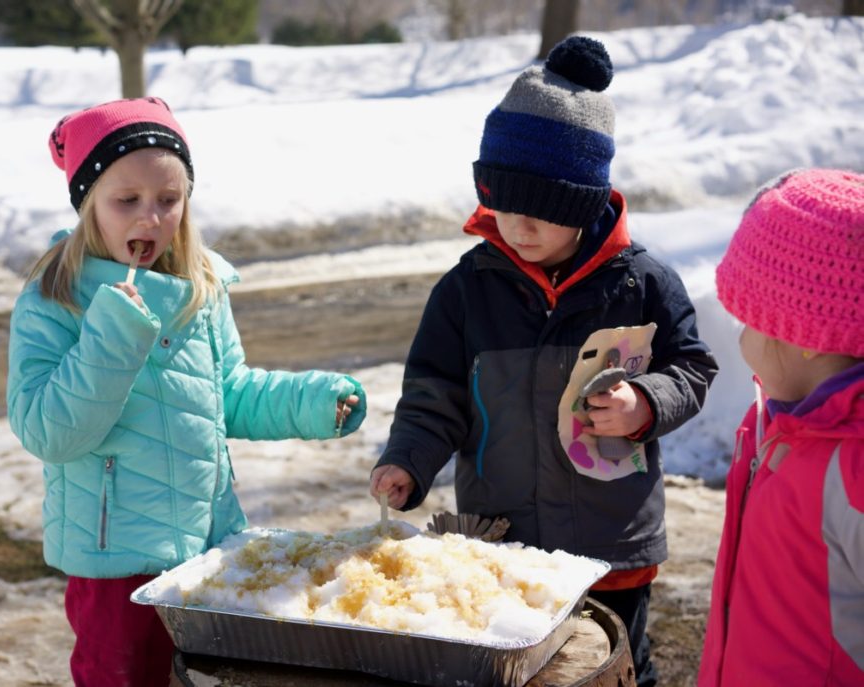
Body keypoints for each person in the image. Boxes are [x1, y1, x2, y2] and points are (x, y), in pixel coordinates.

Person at [368, 36, 718, 687]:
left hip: (612, 549)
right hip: (504, 547)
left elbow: (693, 368)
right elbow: (432, 395)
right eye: (503, 202)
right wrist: (407, 462)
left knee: (614, 667)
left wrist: (646, 403)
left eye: (541, 211)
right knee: (512, 670)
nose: (517, 225)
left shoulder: (641, 284)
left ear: (582, 206)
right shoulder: (467, 291)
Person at [6, 97, 367, 687]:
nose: (150, 218)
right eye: (128, 201)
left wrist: (311, 401)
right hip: (114, 567)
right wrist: (111, 334)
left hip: (205, 549)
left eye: (168, 201)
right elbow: (49, 433)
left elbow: (230, 393)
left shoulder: (198, 287)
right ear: (87, 201)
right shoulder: (56, 297)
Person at [698, 168, 864, 686]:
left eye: (751, 323)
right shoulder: (776, 420)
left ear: (808, 338)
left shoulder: (852, 470)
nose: (742, 340)